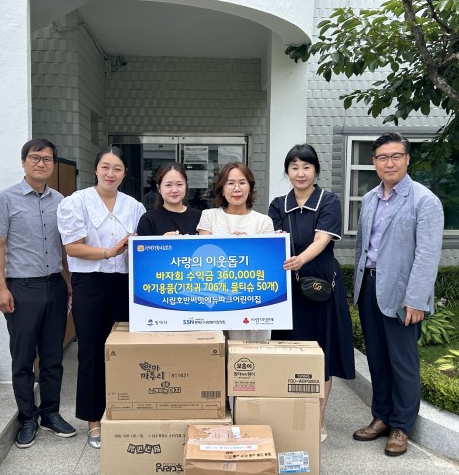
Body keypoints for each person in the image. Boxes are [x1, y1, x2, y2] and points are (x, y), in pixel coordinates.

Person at [353, 131, 444, 457]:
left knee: (402, 362)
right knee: (377, 359)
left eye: (395, 156)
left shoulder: (424, 200)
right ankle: (381, 417)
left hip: (403, 295)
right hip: (369, 289)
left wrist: (417, 299)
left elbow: (427, 255)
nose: (388, 163)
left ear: (407, 159)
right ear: (374, 162)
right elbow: (363, 246)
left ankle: (402, 427)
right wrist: (358, 288)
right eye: (382, 157)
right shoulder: (369, 198)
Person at [0, 138, 76, 449]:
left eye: (47, 159)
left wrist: (68, 282)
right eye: (35, 158)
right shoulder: (5, 199)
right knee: (23, 357)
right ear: (24, 161)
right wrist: (1, 288)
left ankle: (50, 413)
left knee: (53, 356)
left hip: (54, 285)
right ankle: (27, 418)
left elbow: (63, 246)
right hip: (21, 287)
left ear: (53, 165)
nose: (41, 163)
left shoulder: (60, 201)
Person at [57, 146, 145, 449]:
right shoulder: (75, 202)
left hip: (124, 283)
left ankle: (123, 411)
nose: (111, 173)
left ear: (124, 173)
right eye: (105, 167)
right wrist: (109, 252)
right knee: (92, 351)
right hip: (90, 283)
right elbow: (73, 247)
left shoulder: (134, 206)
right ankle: (93, 420)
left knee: (124, 349)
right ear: (95, 169)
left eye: (117, 168)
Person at [268, 144, 356, 442]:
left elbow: (322, 239)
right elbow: (273, 240)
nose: (300, 173)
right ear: (287, 172)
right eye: (294, 167)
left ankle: (317, 420)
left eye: (306, 167)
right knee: (288, 351)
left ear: (315, 170)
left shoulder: (328, 201)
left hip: (320, 284)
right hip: (288, 287)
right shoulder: (278, 205)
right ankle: (291, 417)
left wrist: (300, 260)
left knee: (321, 354)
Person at [197, 161, 274, 341]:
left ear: (250, 187)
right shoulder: (209, 216)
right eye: (230, 183)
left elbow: (266, 264)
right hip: (215, 299)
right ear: (222, 188)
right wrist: (230, 245)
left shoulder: (263, 222)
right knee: (214, 350)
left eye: (242, 182)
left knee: (249, 352)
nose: (236, 188)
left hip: (250, 300)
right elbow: (204, 259)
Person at [136, 162, 201, 236]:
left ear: (186, 186)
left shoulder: (200, 217)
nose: (174, 190)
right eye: (168, 185)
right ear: (159, 188)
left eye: (179, 184)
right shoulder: (148, 220)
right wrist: (164, 241)